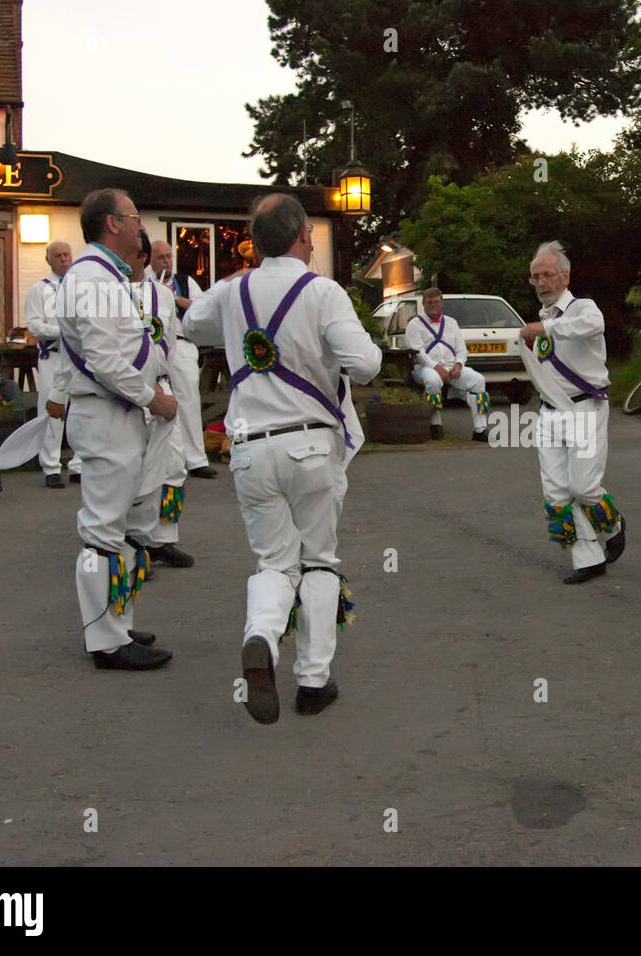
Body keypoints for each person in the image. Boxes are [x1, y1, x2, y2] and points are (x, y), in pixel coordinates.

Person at [182, 193, 381, 724]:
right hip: (311, 444)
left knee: (274, 560)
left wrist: (233, 293)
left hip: (249, 447)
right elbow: (364, 365)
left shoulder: (232, 291)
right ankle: (313, 682)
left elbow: (191, 326)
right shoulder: (323, 291)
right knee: (317, 560)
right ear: (301, 237)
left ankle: (262, 639)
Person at [46, 188, 177, 671]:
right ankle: (105, 640)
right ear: (111, 224)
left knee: (119, 527)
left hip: (117, 412)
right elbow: (103, 358)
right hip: (106, 414)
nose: (141, 227)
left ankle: (117, 622)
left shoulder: (104, 276)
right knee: (103, 530)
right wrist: (152, 397)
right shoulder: (91, 279)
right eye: (135, 217)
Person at [519, 240, 626, 584]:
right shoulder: (542, 320)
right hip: (550, 414)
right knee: (556, 493)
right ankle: (588, 558)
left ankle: (612, 524)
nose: (539, 283)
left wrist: (545, 330)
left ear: (564, 277)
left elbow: (593, 327)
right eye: (534, 277)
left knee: (583, 487)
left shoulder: (583, 308)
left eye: (546, 275)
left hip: (585, 409)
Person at [122, 228, 194, 572]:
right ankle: (133, 544)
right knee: (133, 468)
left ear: (143, 257)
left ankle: (163, 538)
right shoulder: (109, 292)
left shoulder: (162, 296)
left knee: (174, 465)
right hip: (125, 392)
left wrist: (162, 379)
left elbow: (170, 341)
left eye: (133, 252)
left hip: (161, 388)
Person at [147, 240, 216, 478]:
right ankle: (162, 460)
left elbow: (202, 309)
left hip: (182, 343)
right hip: (155, 345)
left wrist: (174, 298)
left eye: (169, 256)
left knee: (188, 399)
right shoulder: (145, 284)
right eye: (161, 258)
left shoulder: (185, 282)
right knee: (157, 400)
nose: (166, 261)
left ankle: (196, 459)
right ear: (150, 260)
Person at [23, 241, 81, 488]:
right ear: (49, 260)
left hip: (79, 357)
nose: (63, 259)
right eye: (57, 256)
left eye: (66, 255)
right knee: (52, 410)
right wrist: (62, 332)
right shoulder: (39, 290)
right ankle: (51, 466)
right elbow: (34, 325)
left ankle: (79, 464)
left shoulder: (82, 288)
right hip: (54, 356)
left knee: (80, 409)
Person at [403, 287, 489, 440]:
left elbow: (461, 349)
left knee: (479, 380)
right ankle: (435, 425)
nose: (433, 305)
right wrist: (437, 368)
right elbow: (418, 352)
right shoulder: (414, 325)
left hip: (451, 366)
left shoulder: (451, 322)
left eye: (436, 302)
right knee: (433, 380)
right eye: (429, 302)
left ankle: (480, 430)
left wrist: (459, 365)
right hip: (424, 368)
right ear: (423, 304)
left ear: (442, 303)